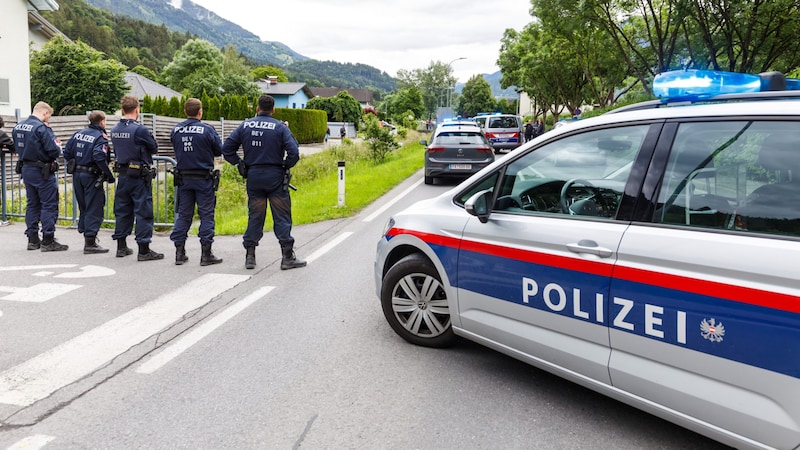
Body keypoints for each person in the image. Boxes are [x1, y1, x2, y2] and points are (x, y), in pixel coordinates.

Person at [221, 94, 306, 270]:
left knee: (256, 216)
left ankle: (250, 256)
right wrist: (284, 166)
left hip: (253, 176)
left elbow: (227, 149)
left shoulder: (245, 125)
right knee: (281, 217)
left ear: (257, 108)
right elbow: (294, 152)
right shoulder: (280, 127)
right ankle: (287, 257)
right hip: (275, 176)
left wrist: (239, 163)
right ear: (273, 110)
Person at [169, 98, 223, 266]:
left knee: (184, 215)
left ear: (185, 112)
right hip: (203, 179)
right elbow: (219, 150)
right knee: (206, 215)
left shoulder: (176, 130)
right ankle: (206, 254)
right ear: (200, 112)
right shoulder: (207, 129)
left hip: (184, 179)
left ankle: (179, 252)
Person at [110, 95, 163, 261]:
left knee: (122, 210)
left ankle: (121, 247)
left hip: (123, 175)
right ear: (136, 110)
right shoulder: (139, 129)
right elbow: (153, 148)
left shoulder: (114, 129)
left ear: (123, 109)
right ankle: (144, 249)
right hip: (139, 176)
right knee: (143, 211)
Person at [12, 102, 68, 251]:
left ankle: (33, 240)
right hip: (42, 171)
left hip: (26, 169)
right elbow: (54, 150)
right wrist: (58, 147)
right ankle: (48, 240)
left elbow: (15, 146)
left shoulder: (18, 126)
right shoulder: (41, 128)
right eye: (49, 116)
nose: (48, 119)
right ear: (45, 113)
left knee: (32, 204)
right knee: (48, 204)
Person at [63, 110, 115, 254]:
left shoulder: (78, 133)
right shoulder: (100, 137)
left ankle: (86, 233)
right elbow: (99, 156)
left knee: (84, 206)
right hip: (91, 176)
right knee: (94, 207)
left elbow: (66, 152)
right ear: (102, 121)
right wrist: (108, 173)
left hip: (77, 175)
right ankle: (90, 242)